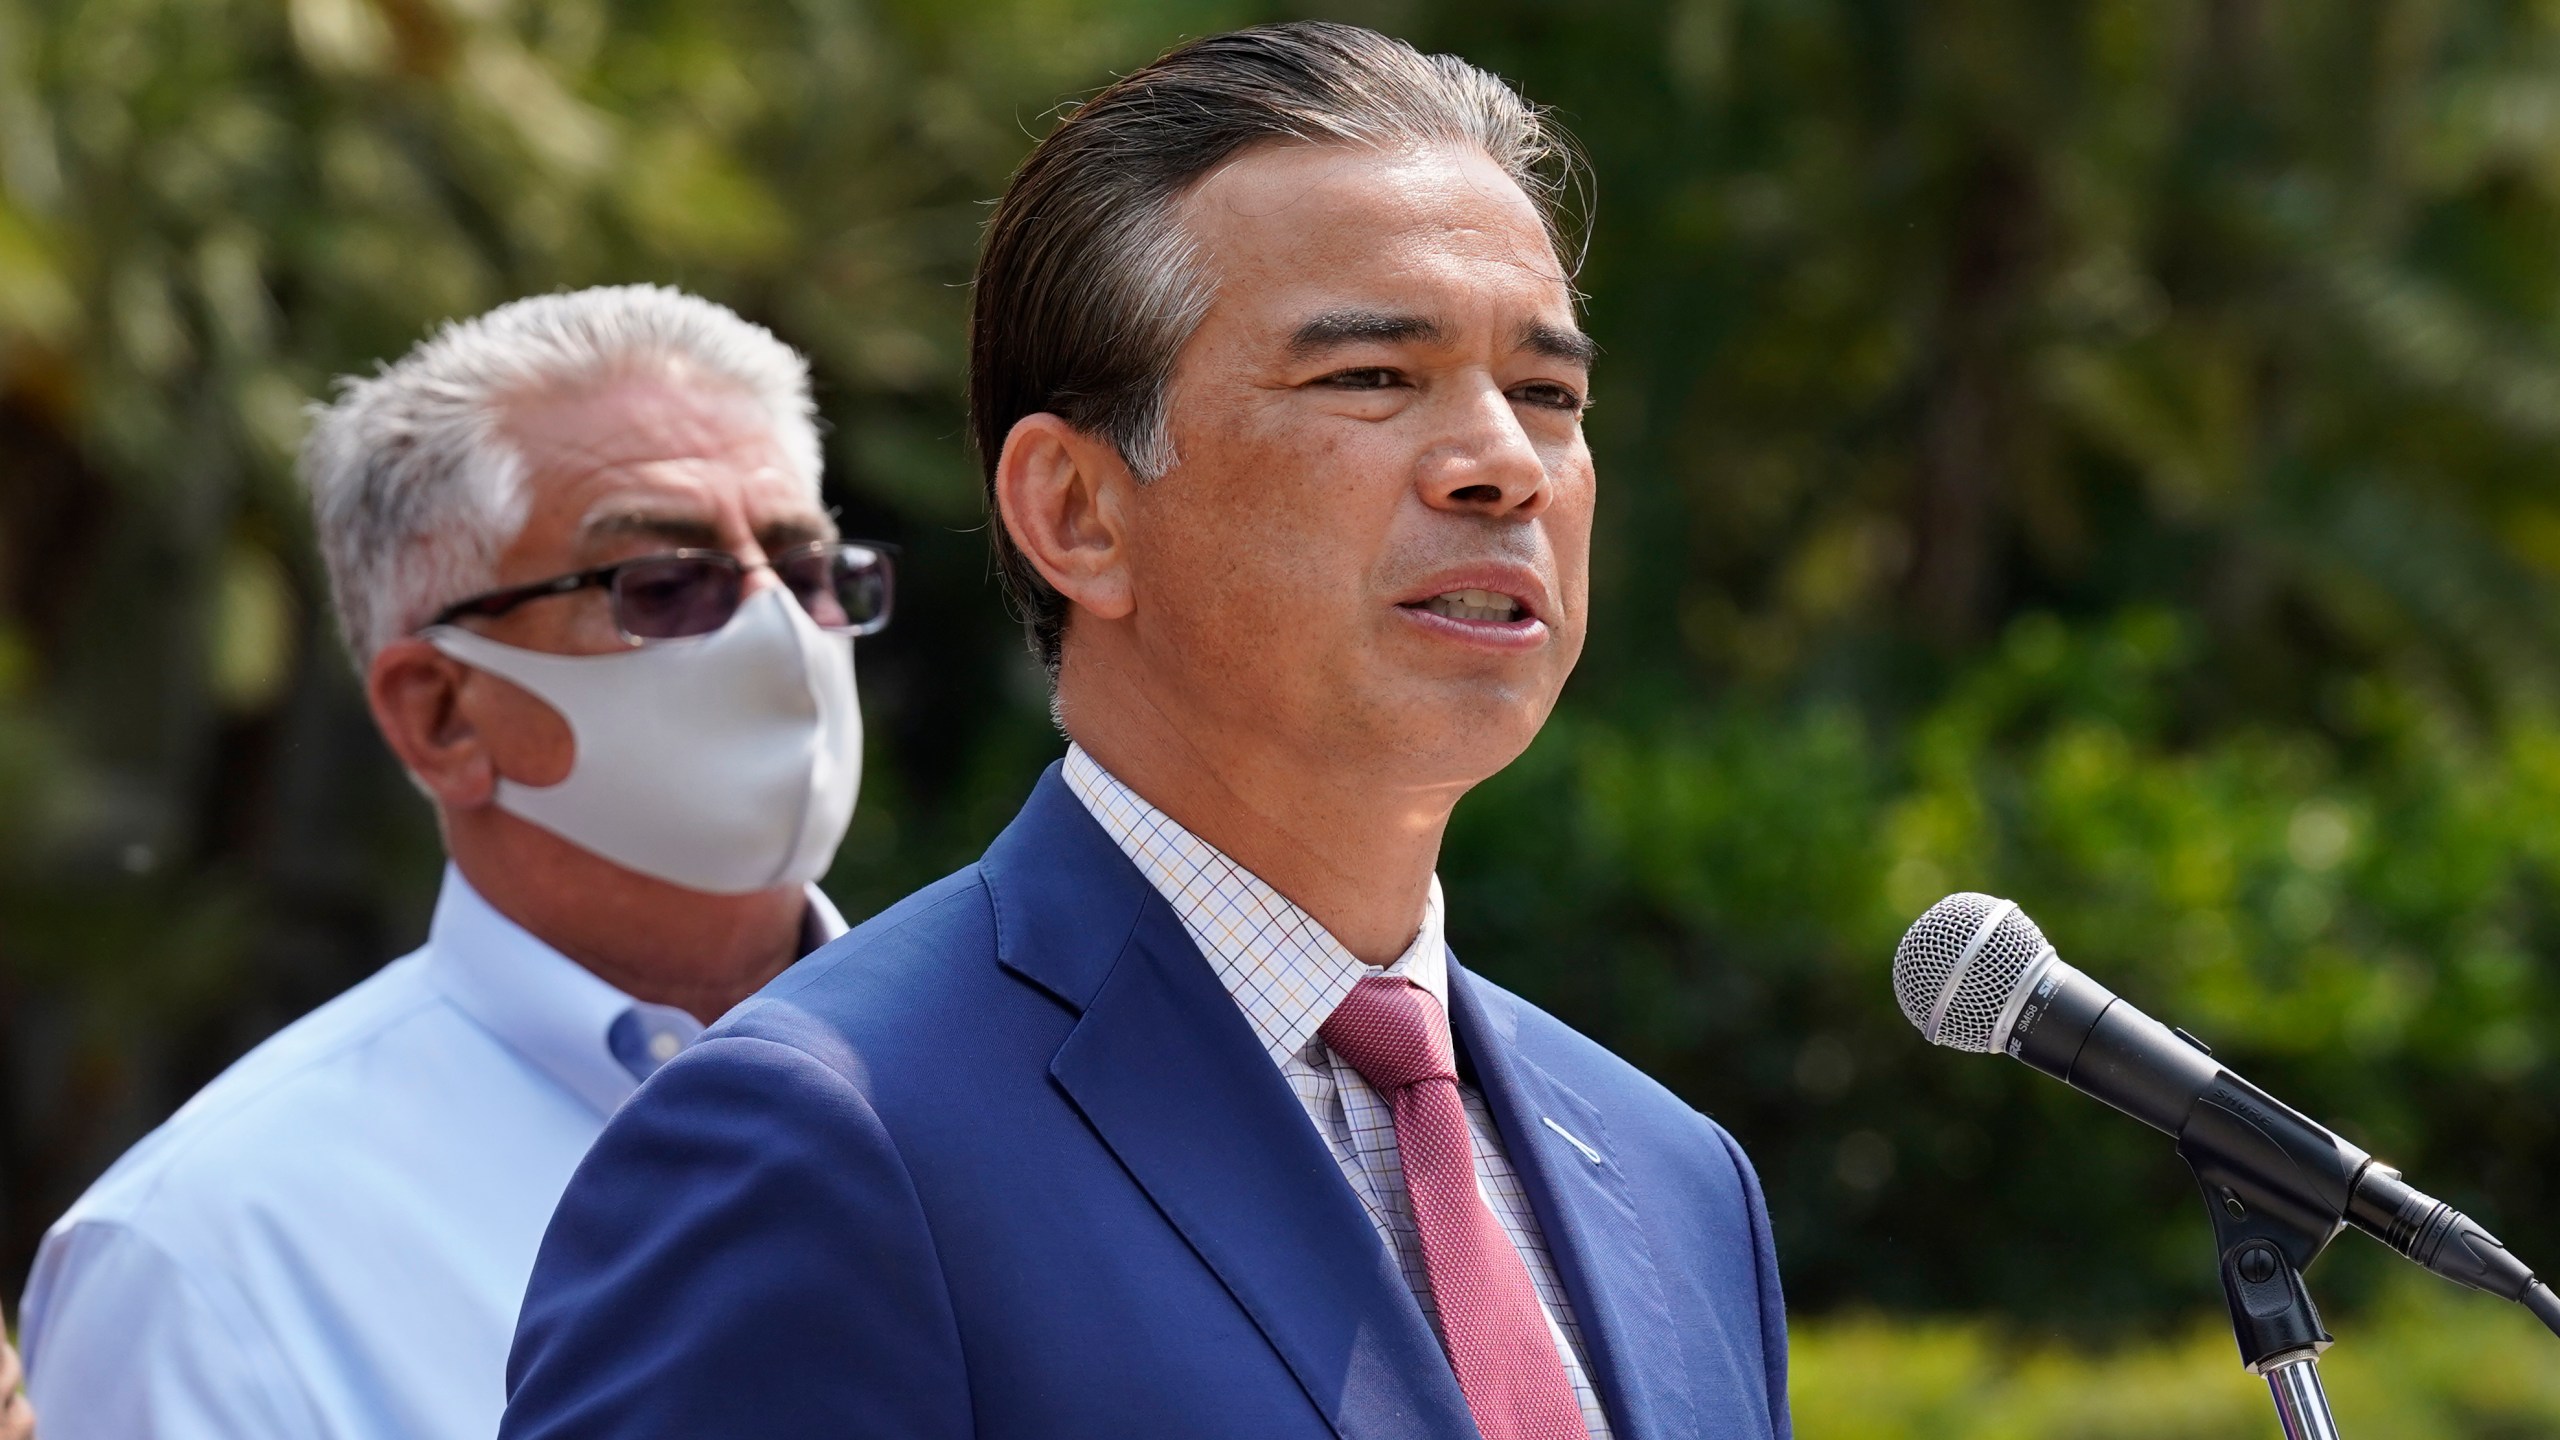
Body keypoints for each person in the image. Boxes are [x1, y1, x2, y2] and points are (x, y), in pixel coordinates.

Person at [503, 24, 1788, 1440]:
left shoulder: (1680, 1185)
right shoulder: (823, 1144)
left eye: (1549, 394)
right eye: (1371, 377)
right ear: (1076, 512)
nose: (1501, 463)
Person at [17, 285, 893, 1440]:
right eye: (665, 585)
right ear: (440, 714)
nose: (779, 631)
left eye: (808, 568)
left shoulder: (1028, 1086)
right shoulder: (213, 1258)